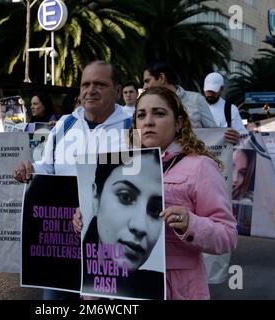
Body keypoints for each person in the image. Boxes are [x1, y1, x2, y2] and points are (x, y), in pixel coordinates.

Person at [74, 86, 237, 299]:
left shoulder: (200, 167)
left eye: (159, 113)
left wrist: (191, 223)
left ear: (179, 123)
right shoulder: (120, 163)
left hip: (178, 289)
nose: (148, 121)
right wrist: (82, 215)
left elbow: (228, 236)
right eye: (141, 115)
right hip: (106, 290)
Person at [14, 60, 131, 299]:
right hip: (61, 243)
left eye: (100, 84)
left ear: (117, 91)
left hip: (108, 247)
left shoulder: (132, 128)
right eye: (86, 84)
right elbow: (48, 167)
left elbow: (136, 180)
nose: (91, 90)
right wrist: (31, 170)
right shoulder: (64, 125)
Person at [82, 149, 164, 299]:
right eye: (125, 197)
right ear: (96, 198)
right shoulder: (62, 279)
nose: (140, 226)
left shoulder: (161, 288)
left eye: (155, 209)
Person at [142, 61, 217, 129]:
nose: (144, 87)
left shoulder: (196, 100)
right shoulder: (144, 105)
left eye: (147, 81)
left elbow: (214, 133)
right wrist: (135, 142)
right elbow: (136, 134)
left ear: (162, 78)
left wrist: (226, 137)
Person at [203, 72, 246, 143]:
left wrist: (237, 136)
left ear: (221, 89)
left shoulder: (230, 109)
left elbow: (243, 135)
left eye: (213, 91)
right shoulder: (196, 107)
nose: (210, 94)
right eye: (208, 91)